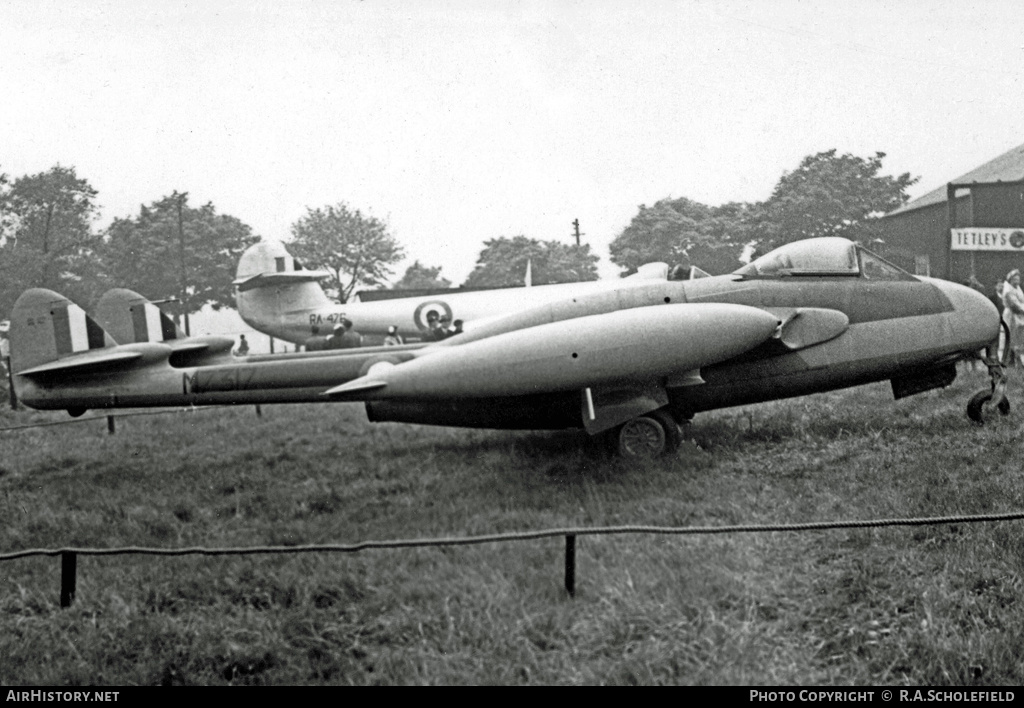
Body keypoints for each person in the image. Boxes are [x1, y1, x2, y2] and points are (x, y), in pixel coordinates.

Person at [1001, 269, 1024, 367]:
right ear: (1010, 280)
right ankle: (1009, 361)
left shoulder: (1017, 288)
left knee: (1018, 338)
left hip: (1019, 316)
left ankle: (1017, 359)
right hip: (1011, 315)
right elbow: (1014, 305)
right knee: (1010, 337)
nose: (1016, 281)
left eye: (1018, 279)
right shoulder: (1008, 290)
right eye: (1014, 279)